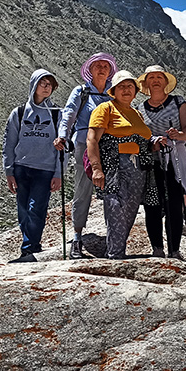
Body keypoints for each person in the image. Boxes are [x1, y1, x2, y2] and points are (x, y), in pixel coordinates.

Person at [54, 52, 117, 259]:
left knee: (111, 191)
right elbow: (68, 115)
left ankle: (113, 238)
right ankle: (77, 237)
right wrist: (62, 136)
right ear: (90, 69)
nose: (102, 69)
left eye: (105, 66)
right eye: (97, 65)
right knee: (83, 190)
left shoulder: (114, 92)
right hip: (84, 145)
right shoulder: (80, 92)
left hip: (109, 145)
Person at [87, 71, 153, 260]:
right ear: (113, 91)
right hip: (114, 166)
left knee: (130, 211)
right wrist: (96, 168)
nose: (126, 90)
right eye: (121, 87)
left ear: (135, 91)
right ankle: (115, 255)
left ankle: (116, 251)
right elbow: (92, 139)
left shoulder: (137, 113)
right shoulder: (105, 109)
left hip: (138, 167)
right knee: (115, 207)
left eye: (130, 86)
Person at [2, 69, 62, 261]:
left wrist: (58, 173)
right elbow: (9, 143)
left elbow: (63, 147)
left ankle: (28, 249)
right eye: (42, 83)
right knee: (23, 210)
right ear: (33, 85)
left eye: (49, 84)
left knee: (36, 208)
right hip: (21, 167)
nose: (46, 87)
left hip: (45, 169)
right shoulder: (19, 113)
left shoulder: (57, 114)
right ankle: (32, 245)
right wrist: (9, 170)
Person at [138, 65, 186, 260]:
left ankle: (174, 249)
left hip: (174, 159)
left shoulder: (178, 102)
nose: (155, 80)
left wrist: (179, 135)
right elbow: (140, 135)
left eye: (159, 77)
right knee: (152, 204)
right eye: (151, 77)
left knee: (174, 203)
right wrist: (152, 142)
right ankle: (157, 248)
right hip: (152, 160)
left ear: (165, 81)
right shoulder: (140, 109)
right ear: (146, 82)